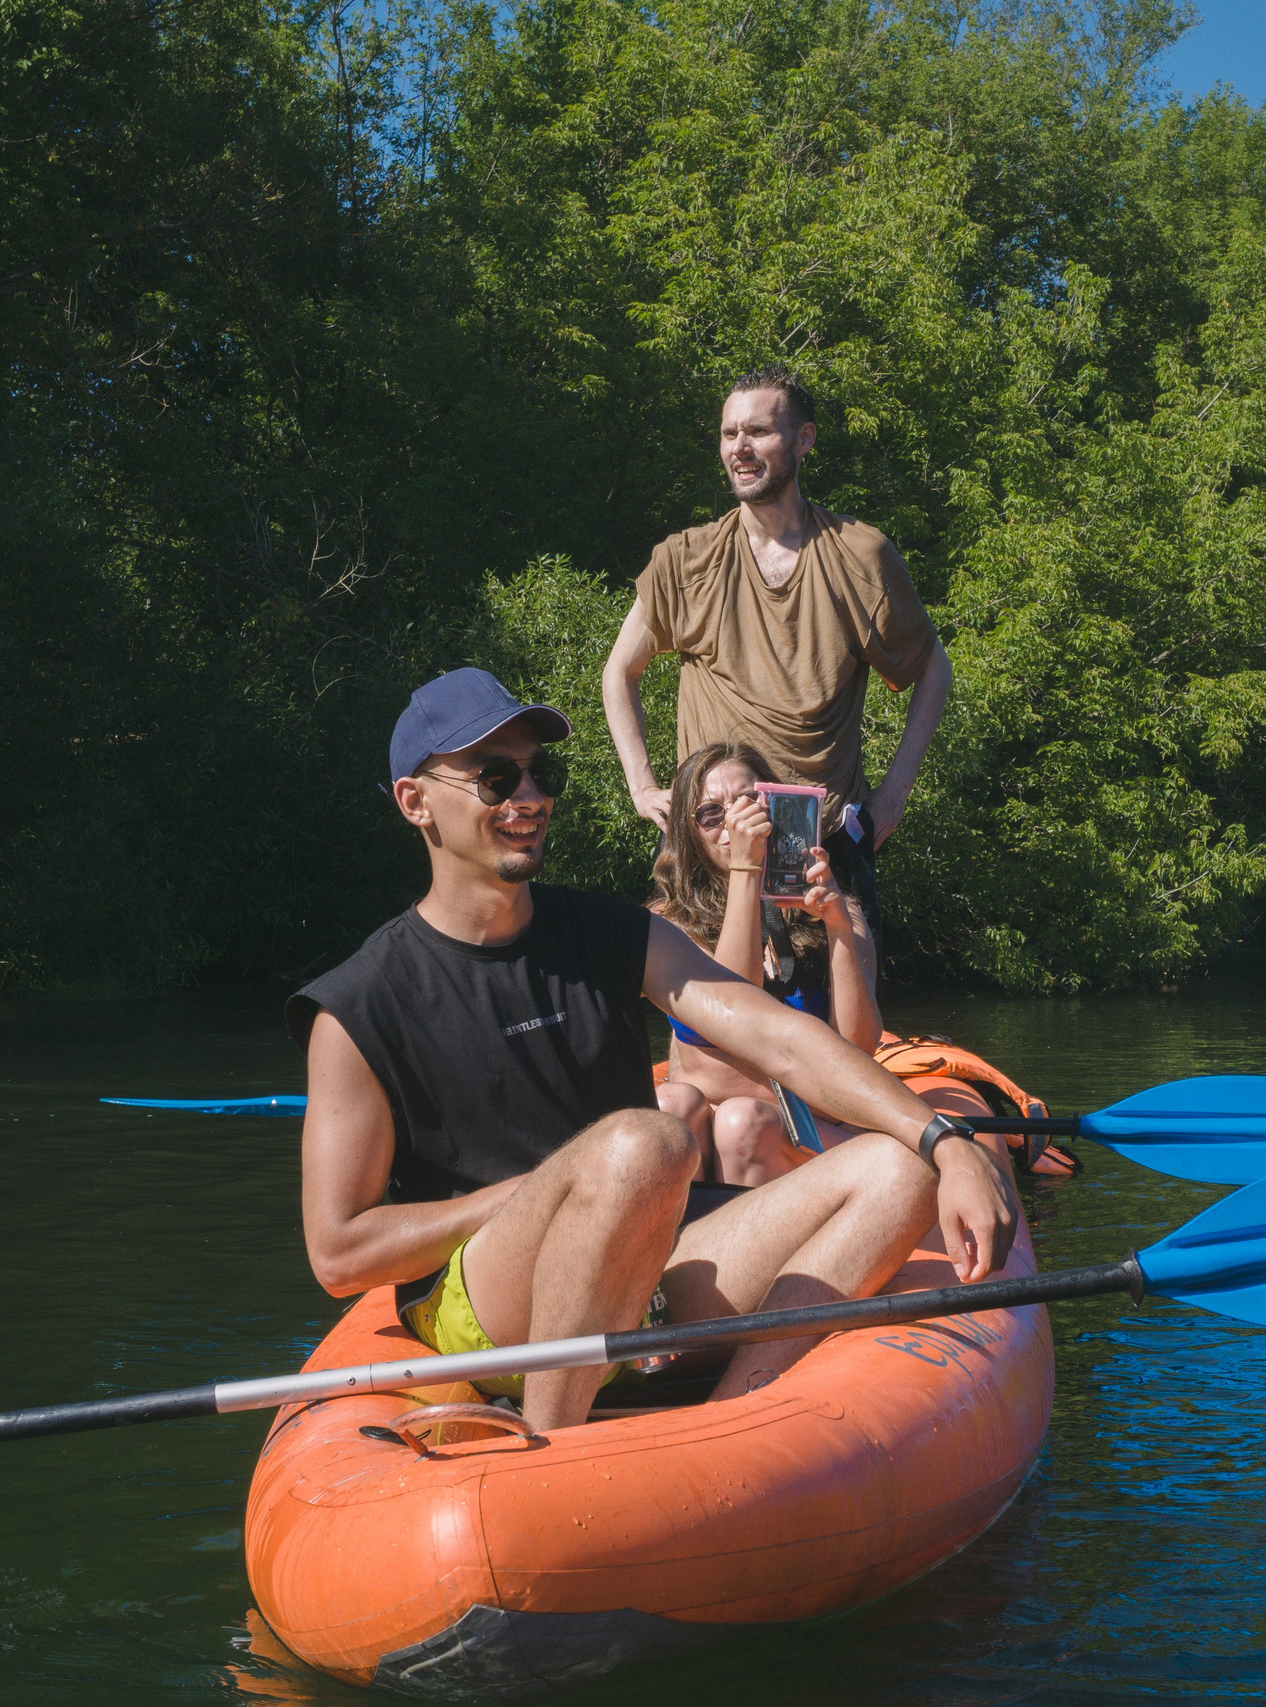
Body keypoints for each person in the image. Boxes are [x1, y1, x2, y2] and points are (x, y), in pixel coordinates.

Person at [289, 668, 1018, 1434]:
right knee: (645, 1142)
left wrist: (943, 1139)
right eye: (496, 778)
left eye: (543, 773)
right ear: (416, 802)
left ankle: (738, 1417)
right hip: (487, 1299)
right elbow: (339, 1253)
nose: (529, 798)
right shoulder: (359, 1003)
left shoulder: (611, 931)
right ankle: (550, 1443)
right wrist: (543, 1193)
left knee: (898, 1165)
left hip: (648, 1255)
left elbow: (774, 1033)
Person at [600, 365, 951, 943]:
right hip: (709, 841)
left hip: (824, 841)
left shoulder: (861, 555)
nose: (740, 447)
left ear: (804, 439)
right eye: (728, 433)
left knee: (837, 1026)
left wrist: (892, 797)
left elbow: (933, 667)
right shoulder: (685, 559)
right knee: (708, 1024)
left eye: (758, 431)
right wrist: (642, 787)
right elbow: (620, 671)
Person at [649, 741, 882, 1187]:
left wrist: (836, 926)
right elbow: (732, 1015)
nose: (735, 822)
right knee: (670, 1108)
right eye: (711, 814)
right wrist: (746, 870)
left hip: (802, 1126)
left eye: (748, 803)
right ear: (689, 832)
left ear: (776, 809)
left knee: (742, 1119)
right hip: (730, 1119)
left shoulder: (839, 909)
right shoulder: (666, 925)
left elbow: (859, 1048)